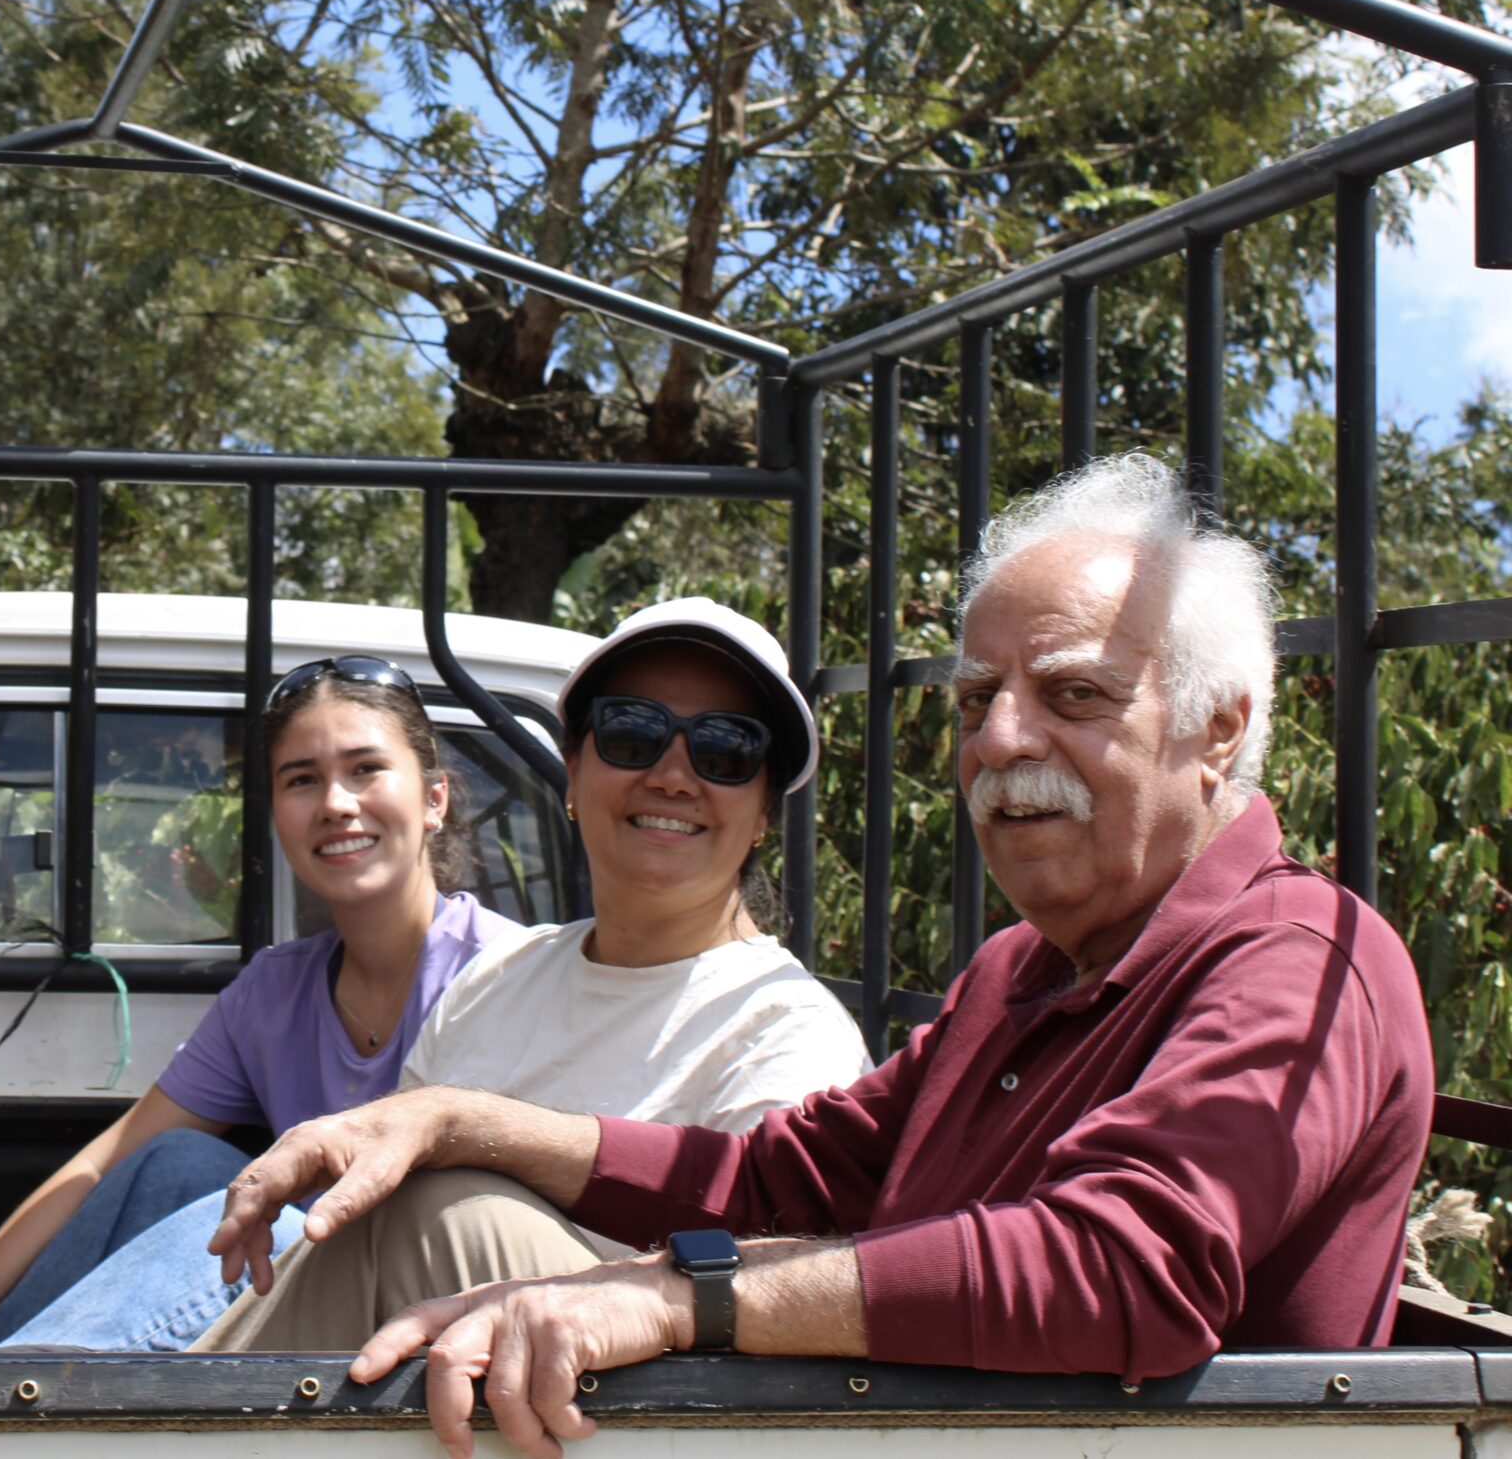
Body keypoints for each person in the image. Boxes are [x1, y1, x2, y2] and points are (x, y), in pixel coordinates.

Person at [200, 455, 1433, 1459]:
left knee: (464, 1249)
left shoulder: (1299, 959)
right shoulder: (1019, 973)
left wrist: (676, 1300)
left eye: (1071, 695)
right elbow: (777, 1179)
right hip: (882, 1428)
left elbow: (1122, 1268)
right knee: (437, 1220)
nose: (1001, 740)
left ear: (1217, 732)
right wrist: (454, 1119)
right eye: (974, 700)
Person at [194, 596, 868, 1353]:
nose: (674, 775)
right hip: (446, 1384)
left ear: (765, 809)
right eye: (633, 733)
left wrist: (461, 1130)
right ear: (573, 773)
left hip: (630, 1395)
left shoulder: (787, 1033)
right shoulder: (497, 978)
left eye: (726, 749)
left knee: (444, 1205)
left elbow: (766, 1309)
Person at [0, 655, 527, 1352]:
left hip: (427, 1331)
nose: (336, 803)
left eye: (366, 769)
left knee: (283, 1233)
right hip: (293, 1322)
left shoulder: (508, 973)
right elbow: (102, 1164)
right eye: (302, 779)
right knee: (179, 1163)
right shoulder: (273, 993)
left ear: (434, 799)